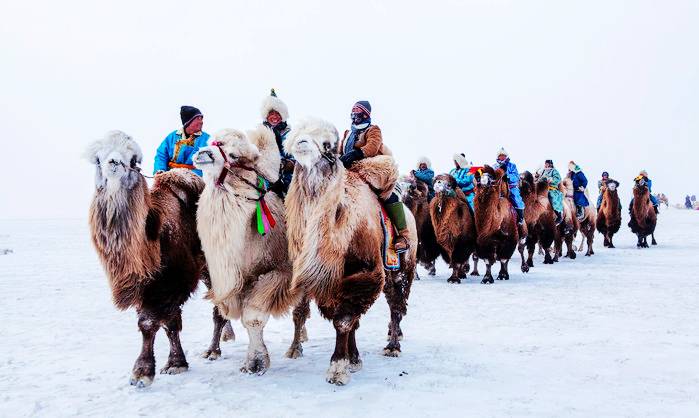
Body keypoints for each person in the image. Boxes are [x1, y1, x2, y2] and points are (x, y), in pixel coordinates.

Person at [338, 100, 411, 252]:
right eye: (353, 110)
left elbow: (373, 146)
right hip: (347, 172)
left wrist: (357, 153)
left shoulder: (373, 130)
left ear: (365, 113)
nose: (354, 114)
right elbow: (340, 151)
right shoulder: (347, 133)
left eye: (358, 110)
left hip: (369, 169)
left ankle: (403, 236)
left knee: (389, 195)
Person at [154, 106, 210, 176]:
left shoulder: (207, 140)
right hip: (170, 176)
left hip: (194, 179)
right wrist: (160, 170)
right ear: (188, 122)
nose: (201, 122)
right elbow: (161, 155)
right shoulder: (172, 136)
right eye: (198, 119)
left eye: (201, 119)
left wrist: (190, 177)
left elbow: (207, 165)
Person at [261, 89, 294, 196]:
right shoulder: (260, 133)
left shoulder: (291, 134)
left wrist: (285, 164)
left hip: (286, 181)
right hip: (263, 180)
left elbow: (296, 159)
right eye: (271, 113)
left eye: (277, 113)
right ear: (266, 115)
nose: (274, 116)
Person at [493, 148, 525, 229]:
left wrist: (508, 176)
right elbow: (491, 175)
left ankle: (521, 217)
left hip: (511, 187)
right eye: (500, 156)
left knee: (516, 198)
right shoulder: (495, 166)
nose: (502, 157)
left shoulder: (512, 165)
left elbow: (516, 176)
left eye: (503, 155)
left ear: (506, 156)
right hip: (498, 188)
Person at [540, 160, 565, 226]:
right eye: (545, 164)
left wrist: (551, 179)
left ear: (550, 164)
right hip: (542, 189)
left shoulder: (554, 171)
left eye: (547, 164)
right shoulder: (543, 171)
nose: (546, 165)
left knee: (551, 196)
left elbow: (558, 179)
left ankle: (559, 215)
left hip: (551, 189)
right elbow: (540, 179)